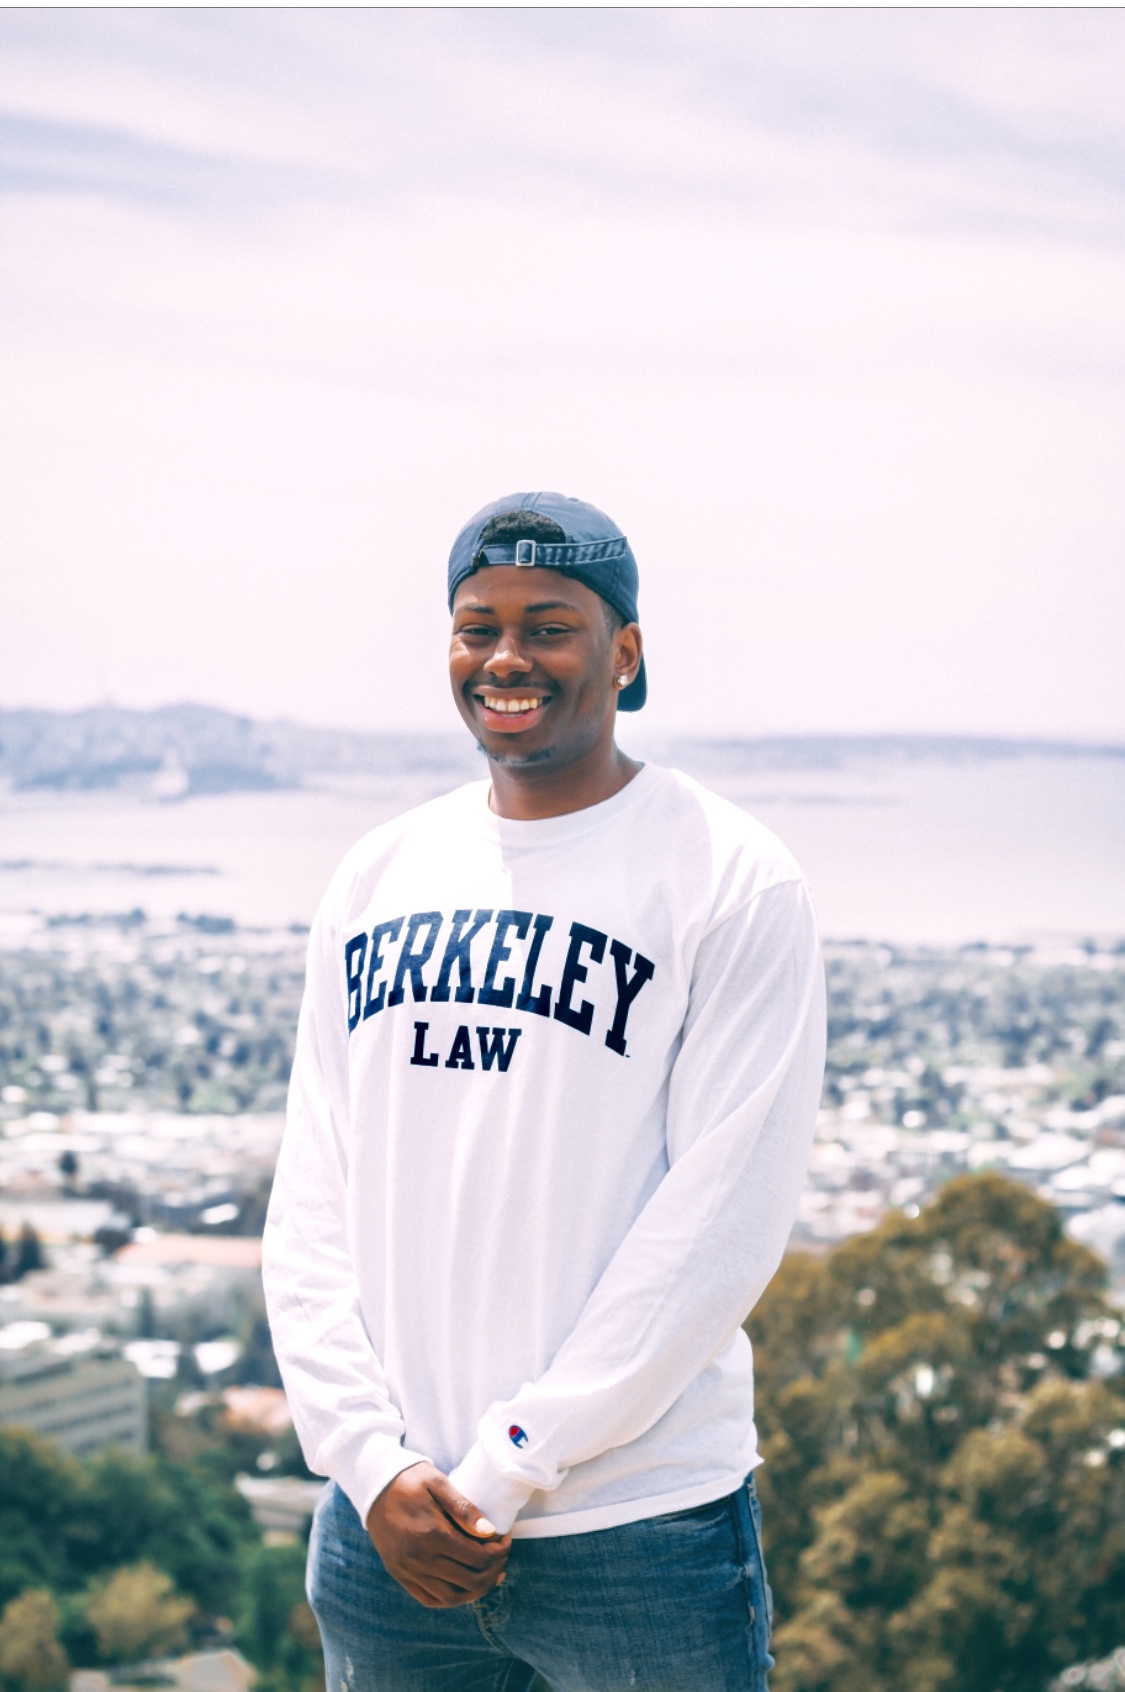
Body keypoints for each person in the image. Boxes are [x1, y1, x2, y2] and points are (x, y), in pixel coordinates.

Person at [263, 491, 826, 1692]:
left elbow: (719, 1226)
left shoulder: (731, 878)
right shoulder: (377, 874)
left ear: (626, 654)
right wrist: (369, 1459)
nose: (506, 658)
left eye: (550, 627)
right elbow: (312, 1197)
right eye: (478, 627)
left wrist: (509, 1463)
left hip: (638, 1535)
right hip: (386, 1530)